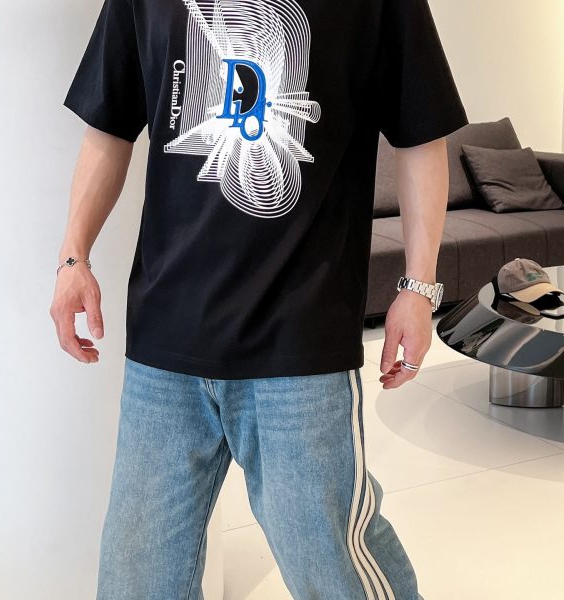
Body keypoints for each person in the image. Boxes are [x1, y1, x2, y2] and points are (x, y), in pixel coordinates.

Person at [50, 0, 468, 597]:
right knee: (135, 578)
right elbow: (109, 127)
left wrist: (419, 287)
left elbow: (420, 135)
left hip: (299, 340)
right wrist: (73, 257)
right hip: (165, 339)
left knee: (331, 569)